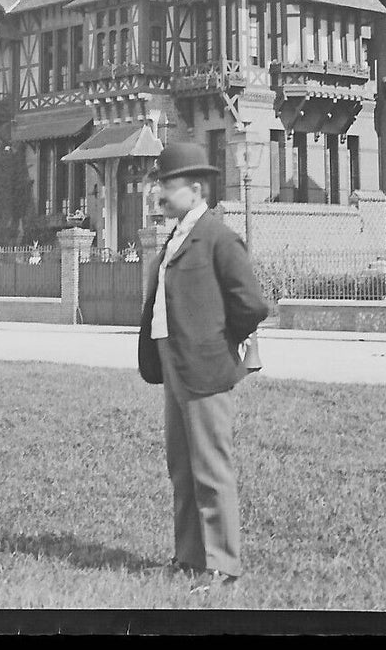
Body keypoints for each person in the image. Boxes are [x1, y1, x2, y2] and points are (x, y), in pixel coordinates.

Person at [137, 141, 269, 594]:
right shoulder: (177, 234)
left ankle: (223, 566)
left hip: (206, 367)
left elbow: (251, 304)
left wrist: (220, 343)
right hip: (174, 364)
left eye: (166, 184)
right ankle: (190, 557)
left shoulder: (218, 237)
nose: (159, 192)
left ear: (194, 189)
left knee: (212, 467)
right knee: (182, 466)